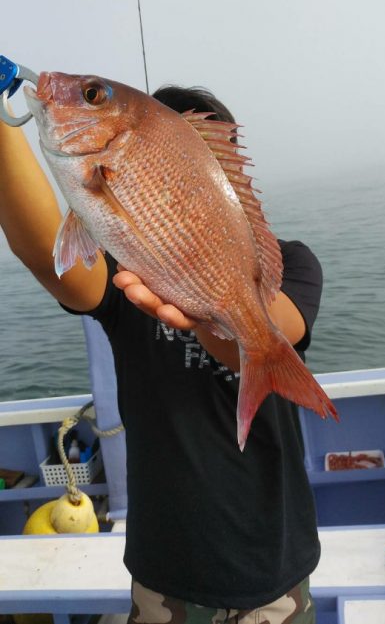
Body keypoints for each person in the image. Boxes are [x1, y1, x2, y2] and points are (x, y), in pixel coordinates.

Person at [0, 83, 323, 624]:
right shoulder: (122, 271)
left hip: (276, 566)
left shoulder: (291, 264)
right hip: (164, 572)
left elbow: (271, 339)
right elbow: (40, 249)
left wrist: (210, 317)